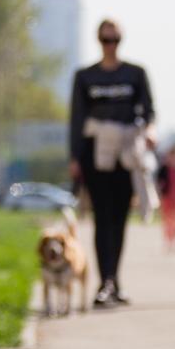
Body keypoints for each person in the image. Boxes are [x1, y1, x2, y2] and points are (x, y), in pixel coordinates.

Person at [69, 19, 156, 307]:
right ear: (98, 41)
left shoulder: (135, 74)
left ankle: (114, 281)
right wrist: (74, 158)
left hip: (126, 154)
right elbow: (77, 119)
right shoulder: (85, 77)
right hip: (96, 154)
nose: (111, 44)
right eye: (106, 40)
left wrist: (150, 133)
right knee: (101, 218)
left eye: (115, 39)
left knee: (119, 219)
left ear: (121, 40)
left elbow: (149, 111)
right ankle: (104, 281)